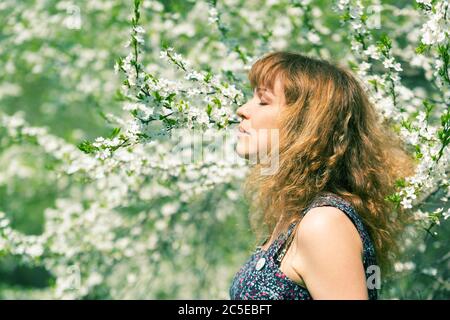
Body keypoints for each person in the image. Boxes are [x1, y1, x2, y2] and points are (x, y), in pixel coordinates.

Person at [229, 51, 416, 300]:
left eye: (263, 101)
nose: (242, 110)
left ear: (306, 124)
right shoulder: (295, 214)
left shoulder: (323, 224)